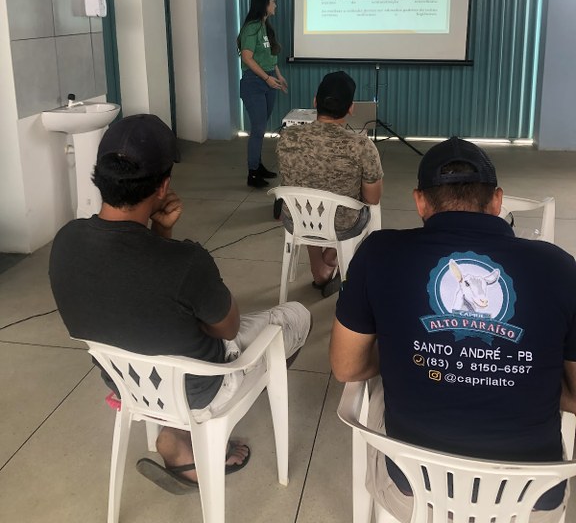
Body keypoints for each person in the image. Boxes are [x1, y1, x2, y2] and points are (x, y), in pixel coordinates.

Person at [49, 114, 311, 494]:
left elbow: (133, 293)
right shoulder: (186, 262)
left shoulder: (66, 241)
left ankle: (171, 433)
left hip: (126, 382)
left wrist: (162, 233)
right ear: (163, 187)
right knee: (295, 316)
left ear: (100, 174)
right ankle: (188, 431)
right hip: (199, 390)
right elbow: (228, 329)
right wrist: (169, 242)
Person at [330, 136, 576, 521]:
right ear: (497, 202)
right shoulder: (560, 267)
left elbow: (346, 367)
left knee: (377, 393)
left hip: (412, 492)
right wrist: (525, 375)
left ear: (420, 202)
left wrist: (410, 356)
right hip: (528, 502)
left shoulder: (379, 253)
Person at [276, 71, 383, 297]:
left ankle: (320, 267)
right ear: (351, 108)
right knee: (364, 209)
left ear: (315, 101)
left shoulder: (288, 136)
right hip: (342, 224)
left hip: (297, 218)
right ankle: (331, 259)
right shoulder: (361, 146)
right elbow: (373, 198)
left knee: (309, 200)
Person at [237, 0, 288, 189]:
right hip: (254, 83)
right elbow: (247, 57)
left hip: (268, 81)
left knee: (261, 127)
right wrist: (267, 78)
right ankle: (253, 173)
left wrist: (278, 75)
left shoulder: (265, 27)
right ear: (264, 4)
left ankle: (258, 166)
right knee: (258, 130)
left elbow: (269, 56)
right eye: (273, 1)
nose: (275, 5)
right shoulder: (252, 28)